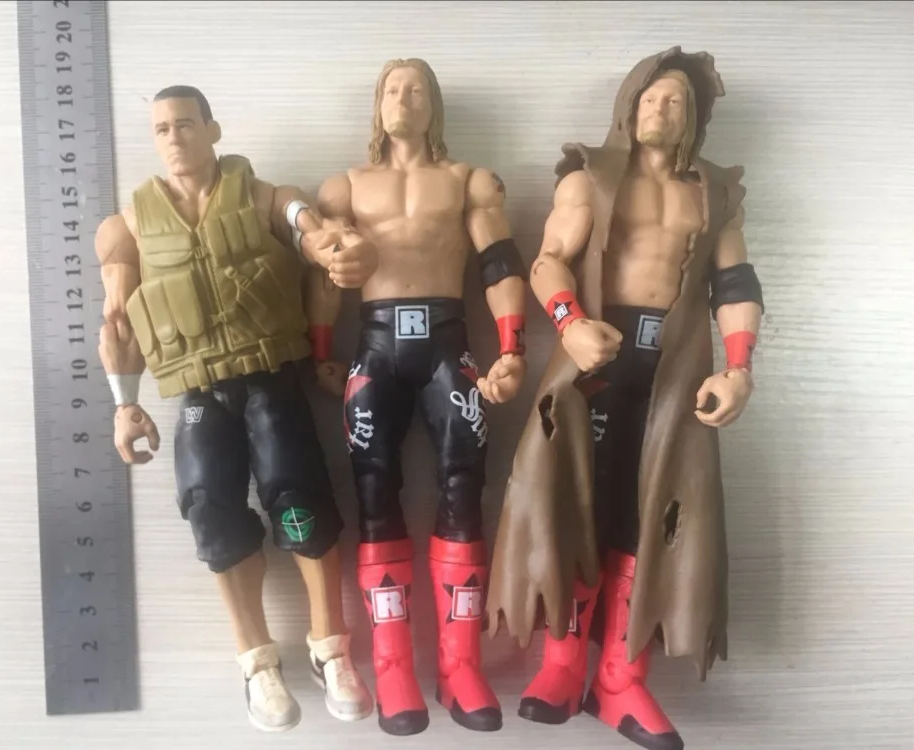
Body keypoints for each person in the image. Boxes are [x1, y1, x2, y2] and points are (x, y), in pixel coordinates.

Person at [485, 47, 765, 750]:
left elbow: (735, 283)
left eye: (675, 101)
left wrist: (738, 369)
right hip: (596, 357)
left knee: (654, 518)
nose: (659, 109)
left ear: (693, 117)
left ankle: (620, 676)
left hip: (675, 369)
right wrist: (569, 324)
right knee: (574, 503)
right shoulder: (591, 178)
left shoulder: (715, 194)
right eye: (649, 98)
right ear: (628, 106)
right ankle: (562, 662)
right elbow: (548, 260)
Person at [93, 85, 377, 733]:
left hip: (271, 378)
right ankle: (256, 661)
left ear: (212, 129)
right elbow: (120, 320)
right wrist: (123, 404)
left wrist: (327, 244)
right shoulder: (129, 227)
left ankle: (330, 647)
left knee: (301, 501)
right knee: (210, 513)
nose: (174, 137)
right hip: (198, 392)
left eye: (185, 124)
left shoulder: (260, 196)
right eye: (162, 128)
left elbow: (304, 223)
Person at [305, 58, 529, 736]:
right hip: (374, 343)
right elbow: (326, 276)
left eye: (417, 90)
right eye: (393, 89)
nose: (404, 99)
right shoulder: (344, 187)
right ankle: (393, 667)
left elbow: (499, 264)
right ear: (378, 104)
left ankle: (460, 667)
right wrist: (321, 350)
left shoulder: (467, 181)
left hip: (447, 343)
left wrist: (512, 348)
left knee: (466, 485)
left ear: (435, 106)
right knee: (373, 491)